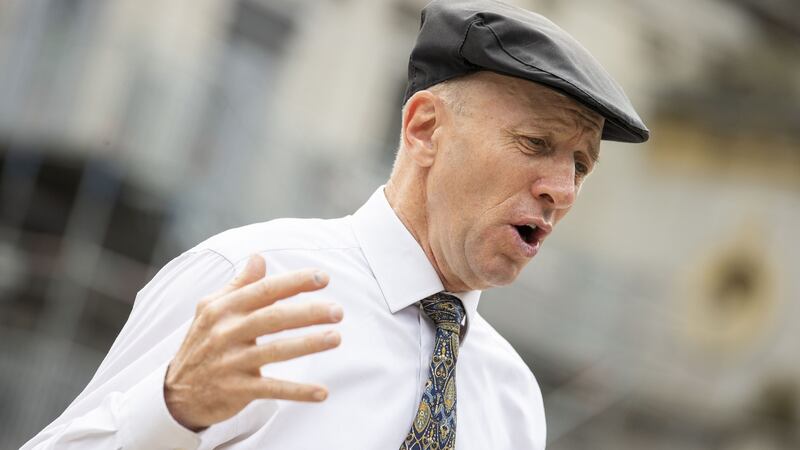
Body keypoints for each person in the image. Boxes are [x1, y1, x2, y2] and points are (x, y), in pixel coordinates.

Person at [22, 1, 648, 449]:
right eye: (535, 143)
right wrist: (171, 409)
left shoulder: (513, 396)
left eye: (582, 166)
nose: (562, 190)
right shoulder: (249, 283)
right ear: (425, 128)